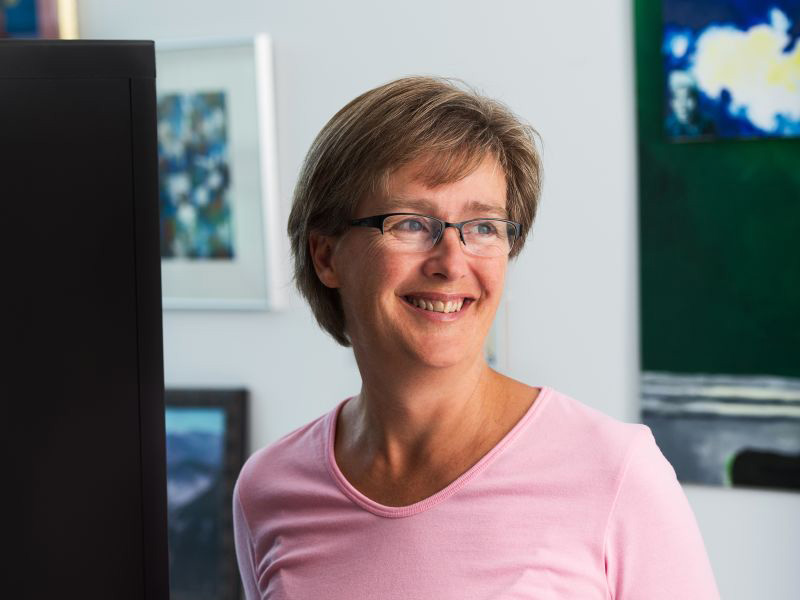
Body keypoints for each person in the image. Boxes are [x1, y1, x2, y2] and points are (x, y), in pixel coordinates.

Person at [233, 76, 720, 599]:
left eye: (484, 226)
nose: (450, 262)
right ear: (326, 256)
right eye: (411, 223)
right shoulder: (269, 489)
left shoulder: (615, 472)